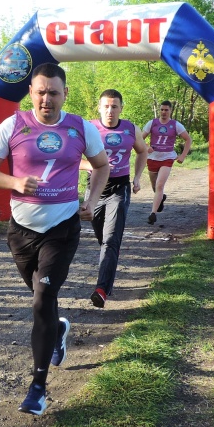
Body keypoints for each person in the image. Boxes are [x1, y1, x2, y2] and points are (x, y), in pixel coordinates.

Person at [0, 63, 109, 416]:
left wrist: (91, 202)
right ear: (31, 93)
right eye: (40, 91)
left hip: (62, 227)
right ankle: (59, 327)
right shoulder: (14, 125)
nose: (46, 99)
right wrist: (14, 183)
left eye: (53, 92)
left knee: (42, 299)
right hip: (21, 229)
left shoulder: (80, 127)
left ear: (64, 94)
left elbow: (102, 165)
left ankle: (37, 388)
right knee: (41, 299)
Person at [80, 89, 147, 308]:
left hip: (120, 186)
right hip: (95, 187)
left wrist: (137, 177)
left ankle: (102, 289)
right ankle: (109, 263)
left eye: (114, 106)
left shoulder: (131, 129)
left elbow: (142, 151)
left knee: (111, 239)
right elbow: (70, 156)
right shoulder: (88, 128)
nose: (110, 110)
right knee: (103, 238)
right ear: (99, 108)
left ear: (121, 108)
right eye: (106, 106)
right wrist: (88, 164)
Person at [141, 100, 192, 225]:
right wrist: (146, 147)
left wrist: (183, 156)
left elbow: (188, 139)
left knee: (159, 185)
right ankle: (161, 198)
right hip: (153, 158)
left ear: (170, 111)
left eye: (166, 110)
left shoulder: (175, 125)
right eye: (162, 110)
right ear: (159, 111)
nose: (163, 112)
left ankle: (153, 214)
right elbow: (139, 138)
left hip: (167, 158)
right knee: (155, 187)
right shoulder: (152, 123)